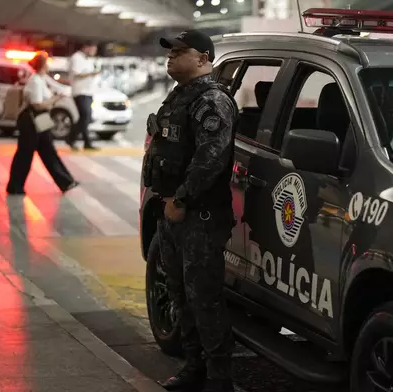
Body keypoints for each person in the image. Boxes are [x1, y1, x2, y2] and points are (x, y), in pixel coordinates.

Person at [144, 30, 239, 392]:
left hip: (198, 215)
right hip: (172, 210)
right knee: (180, 293)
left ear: (203, 58)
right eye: (171, 51)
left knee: (204, 298)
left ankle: (219, 377)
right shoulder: (181, 95)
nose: (171, 57)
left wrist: (182, 200)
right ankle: (193, 366)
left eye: (180, 51)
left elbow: (210, 158)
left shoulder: (212, 100)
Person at [6, 52, 78, 195]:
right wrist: (56, 98)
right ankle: (15, 186)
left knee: (48, 150)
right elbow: (38, 105)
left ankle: (66, 181)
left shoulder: (41, 78)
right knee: (25, 154)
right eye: (47, 63)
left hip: (42, 118)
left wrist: (59, 95)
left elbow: (54, 88)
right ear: (42, 65)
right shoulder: (35, 81)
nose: (48, 66)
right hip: (31, 119)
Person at [66, 41, 101, 150]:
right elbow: (77, 73)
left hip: (89, 91)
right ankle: (71, 138)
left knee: (86, 118)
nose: (94, 52)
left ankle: (87, 142)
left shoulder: (89, 60)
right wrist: (92, 73)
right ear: (86, 47)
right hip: (80, 92)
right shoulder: (76, 57)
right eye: (93, 49)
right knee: (85, 116)